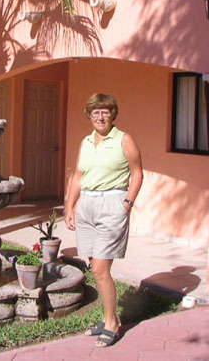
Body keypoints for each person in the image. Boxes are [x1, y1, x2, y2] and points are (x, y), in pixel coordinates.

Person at [64, 93, 143, 348]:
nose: (100, 117)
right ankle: (108, 316)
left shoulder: (124, 139)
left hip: (112, 204)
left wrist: (126, 204)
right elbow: (78, 176)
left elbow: (137, 173)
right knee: (94, 267)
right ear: (89, 115)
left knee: (100, 269)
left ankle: (111, 324)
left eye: (105, 112)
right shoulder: (86, 142)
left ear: (113, 115)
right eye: (95, 112)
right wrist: (69, 206)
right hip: (86, 205)